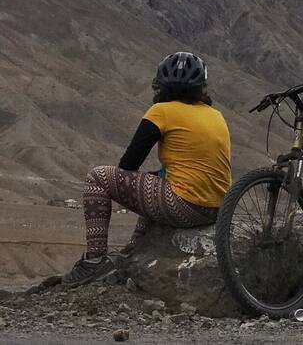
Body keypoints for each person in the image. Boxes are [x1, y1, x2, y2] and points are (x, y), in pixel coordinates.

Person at [63, 52, 232, 287]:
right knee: (158, 181)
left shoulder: (161, 111)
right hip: (217, 209)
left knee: (98, 177)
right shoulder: (217, 116)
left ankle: (95, 260)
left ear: (160, 86)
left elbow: (129, 164)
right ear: (201, 86)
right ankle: (134, 249)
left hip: (185, 206)